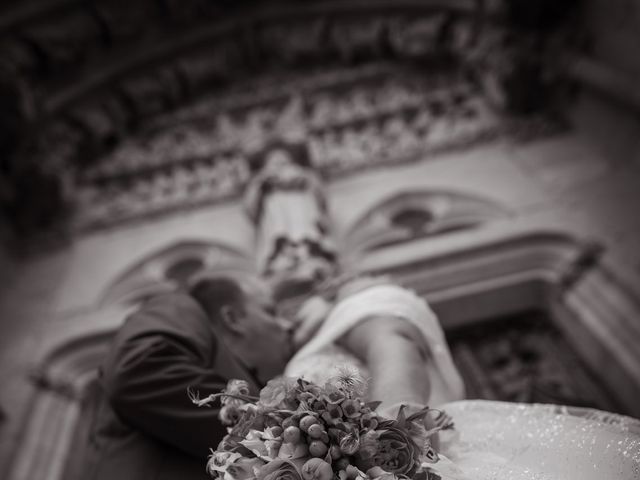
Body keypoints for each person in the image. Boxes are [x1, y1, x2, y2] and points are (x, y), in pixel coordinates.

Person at [85, 276, 293, 480]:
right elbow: (139, 368)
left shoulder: (238, 379)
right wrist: (286, 429)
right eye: (271, 312)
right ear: (232, 318)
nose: (287, 326)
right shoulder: (181, 307)